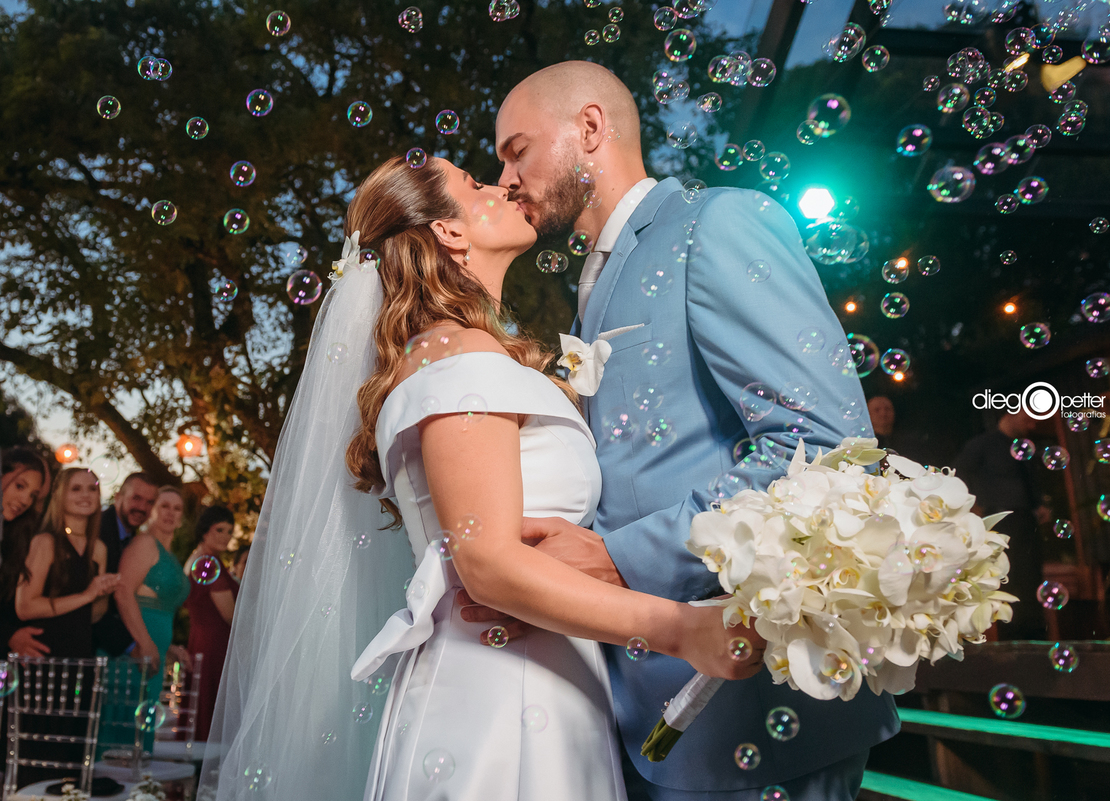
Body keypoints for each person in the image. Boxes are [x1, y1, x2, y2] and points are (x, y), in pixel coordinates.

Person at [199, 154, 762, 799]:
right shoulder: (456, 349)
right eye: (475, 183)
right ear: (449, 232)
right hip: (500, 697)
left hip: (534, 676)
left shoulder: (453, 348)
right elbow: (488, 565)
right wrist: (685, 630)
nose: (502, 184)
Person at [486, 62, 900, 799]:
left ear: (589, 129)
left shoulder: (717, 224)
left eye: (516, 149)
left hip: (749, 710)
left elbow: (828, 450)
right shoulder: (593, 287)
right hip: (645, 718)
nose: (506, 176)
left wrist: (618, 556)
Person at [953, 409, 1052, 640]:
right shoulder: (982, 445)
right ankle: (1012, 639)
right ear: (1012, 413)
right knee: (1007, 579)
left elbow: (1029, 481)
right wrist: (976, 505)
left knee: (1031, 579)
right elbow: (960, 472)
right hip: (1000, 522)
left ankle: (1036, 639)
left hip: (1027, 521)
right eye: (1028, 419)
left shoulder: (1025, 446)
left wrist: (1038, 504)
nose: (1033, 425)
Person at [114, 485, 191, 749]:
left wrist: (167, 647)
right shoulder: (145, 543)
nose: (170, 513)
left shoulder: (169, 554)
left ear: (182, 517)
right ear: (152, 510)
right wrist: (145, 643)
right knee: (125, 733)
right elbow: (124, 593)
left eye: (177, 508)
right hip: (136, 650)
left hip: (155, 650)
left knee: (142, 730)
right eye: (164, 506)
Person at [15, 468, 120, 656]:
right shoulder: (45, 542)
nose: (85, 495)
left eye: (92, 489)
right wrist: (87, 595)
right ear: (60, 496)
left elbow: (93, 615)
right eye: (76, 489)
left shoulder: (99, 549)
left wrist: (103, 594)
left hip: (81, 653)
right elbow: (25, 608)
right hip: (44, 653)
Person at [183, 505, 237, 742]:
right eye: (220, 529)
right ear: (205, 531)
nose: (225, 536)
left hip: (200, 640)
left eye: (229, 531)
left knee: (202, 703)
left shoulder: (197, 558)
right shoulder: (207, 563)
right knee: (211, 705)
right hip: (215, 644)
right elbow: (229, 615)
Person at [95, 472, 158, 656]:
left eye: (149, 502)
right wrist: (131, 646)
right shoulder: (97, 532)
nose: (142, 507)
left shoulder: (132, 539)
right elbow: (94, 604)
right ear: (118, 497)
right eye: (136, 498)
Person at [0, 447, 53, 658]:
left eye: (32, 495)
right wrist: (7, 635)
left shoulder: (17, 537)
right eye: (19, 486)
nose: (24, 500)